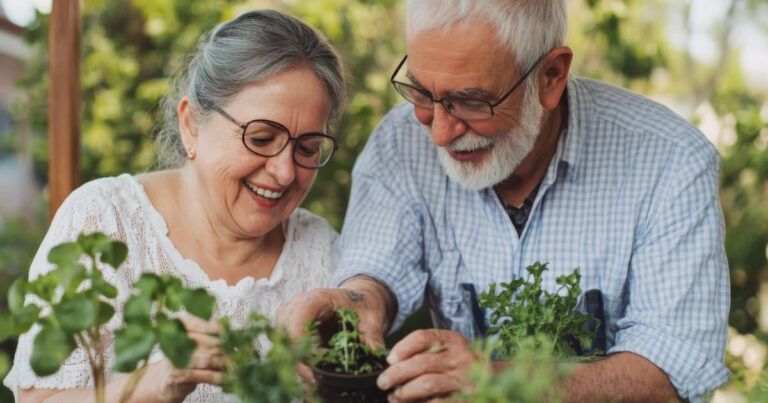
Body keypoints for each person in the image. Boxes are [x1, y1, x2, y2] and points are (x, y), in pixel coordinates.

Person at [277, 1, 730, 402]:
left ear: (551, 76)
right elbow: (376, 270)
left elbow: (670, 374)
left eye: (470, 102)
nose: (437, 132)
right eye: (421, 91)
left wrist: (498, 381)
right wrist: (358, 300)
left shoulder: (670, 161)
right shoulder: (400, 143)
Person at [4, 9, 344, 402]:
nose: (285, 172)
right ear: (191, 125)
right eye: (262, 138)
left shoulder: (323, 252)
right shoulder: (102, 221)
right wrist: (158, 382)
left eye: (307, 148)